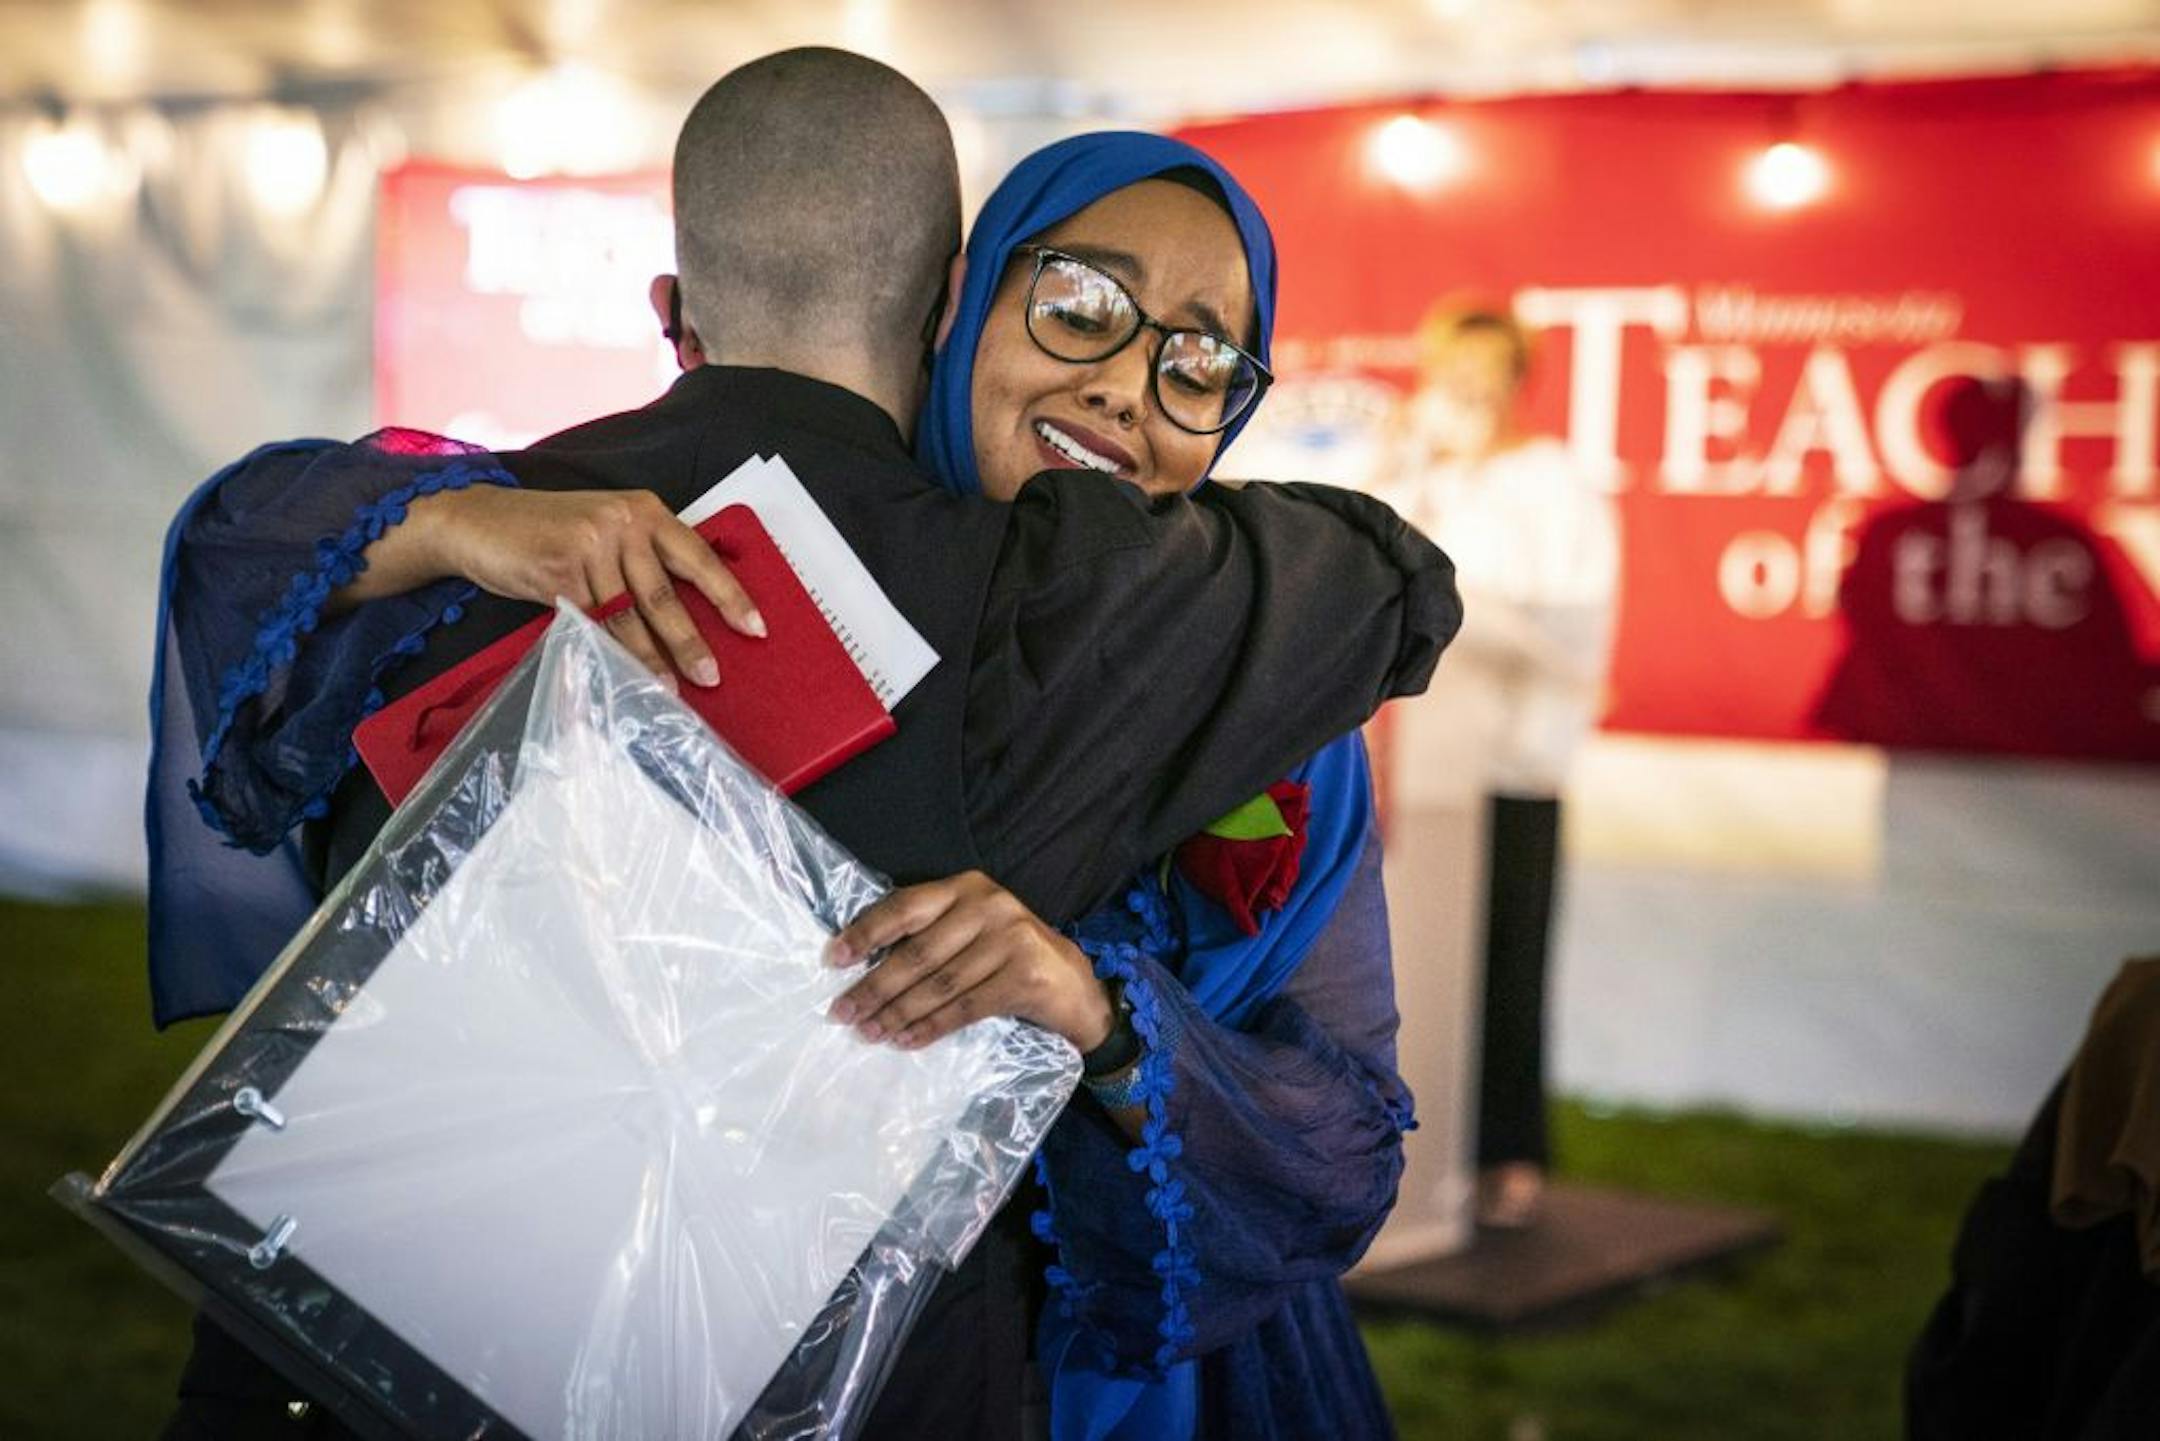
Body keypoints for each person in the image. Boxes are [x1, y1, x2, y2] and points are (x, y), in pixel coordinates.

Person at [150, 53, 1452, 1440]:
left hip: (1116, 1362)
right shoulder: (1017, 608)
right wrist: (424, 519)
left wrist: (1110, 1017)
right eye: (1081, 307)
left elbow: (1346, 1131)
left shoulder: (1234, 680)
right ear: (961, 299)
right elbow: (1391, 579)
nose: (1132, 383)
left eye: (1201, 360)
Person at [1376, 303, 1619, 1229]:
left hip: (1511, 767)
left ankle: (1509, 1151)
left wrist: (1470, 606)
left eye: (1484, 377)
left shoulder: (1558, 485)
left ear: (1520, 379)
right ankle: (1413, 1143)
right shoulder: (1415, 474)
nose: (1466, 395)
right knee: (1415, 964)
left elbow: (1571, 628)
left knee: (1510, 959)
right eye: (1451, 375)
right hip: (1421, 775)